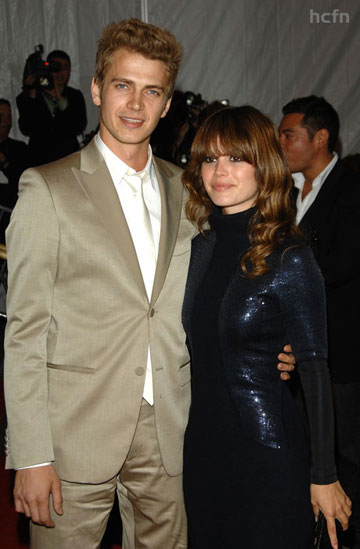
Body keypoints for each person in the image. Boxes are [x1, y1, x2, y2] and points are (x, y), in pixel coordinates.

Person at [4, 20, 295, 549]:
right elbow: (23, 333)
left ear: (166, 104)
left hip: (171, 432)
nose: (135, 104)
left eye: (152, 90)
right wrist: (30, 454)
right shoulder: (46, 189)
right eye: (122, 85)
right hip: (74, 436)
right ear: (96, 90)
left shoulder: (189, 190)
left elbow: (235, 276)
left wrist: (277, 339)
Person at [182, 105, 351, 549]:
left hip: (268, 457)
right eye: (210, 158)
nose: (221, 171)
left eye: (237, 158)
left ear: (264, 166)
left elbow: (315, 372)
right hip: (202, 454)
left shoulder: (289, 255)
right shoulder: (200, 248)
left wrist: (324, 475)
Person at [279, 95, 360, 549]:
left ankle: (344, 538)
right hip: (289, 353)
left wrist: (284, 278)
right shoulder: (282, 189)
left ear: (321, 137)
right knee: (301, 449)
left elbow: (342, 263)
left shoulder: (351, 192)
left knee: (344, 455)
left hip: (340, 354)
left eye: (289, 134)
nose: (282, 142)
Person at [16, 49, 87, 166]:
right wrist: (32, 92)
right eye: (56, 68)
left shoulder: (75, 96)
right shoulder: (30, 96)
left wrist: (60, 99)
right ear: (46, 70)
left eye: (65, 68)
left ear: (69, 71)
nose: (60, 72)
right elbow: (26, 127)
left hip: (68, 162)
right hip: (39, 163)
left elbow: (79, 125)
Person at [0, 99, 28, 209]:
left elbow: (23, 182)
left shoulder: (19, 148)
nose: (5, 121)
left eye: (9, 117)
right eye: (0, 116)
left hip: (11, 212)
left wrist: (4, 162)